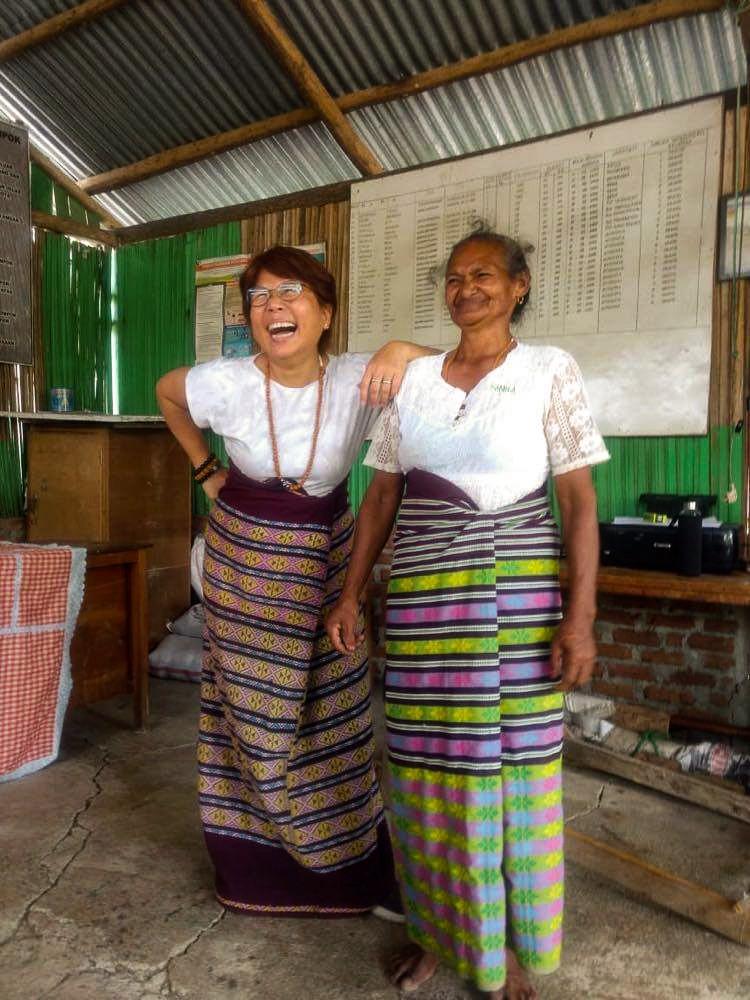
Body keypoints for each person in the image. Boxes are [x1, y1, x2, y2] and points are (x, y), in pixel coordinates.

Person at [326, 231, 609, 997]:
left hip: (517, 602)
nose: (465, 288)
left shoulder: (549, 370)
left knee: (515, 778)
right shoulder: (412, 379)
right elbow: (381, 493)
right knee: (426, 775)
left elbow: (579, 501)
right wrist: (352, 593)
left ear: (519, 285)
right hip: (424, 603)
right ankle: (439, 932)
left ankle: (510, 948)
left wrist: (578, 619)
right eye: (453, 278)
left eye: (482, 274)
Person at [156, 244, 435, 918]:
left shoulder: (357, 377)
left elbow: (447, 371)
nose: (272, 306)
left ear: (325, 311)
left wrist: (402, 347)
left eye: (290, 292)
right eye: (258, 297)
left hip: (329, 558)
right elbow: (168, 391)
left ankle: (349, 868)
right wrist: (205, 471)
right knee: (253, 713)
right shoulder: (227, 381)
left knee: (334, 710)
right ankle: (254, 871)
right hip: (242, 561)